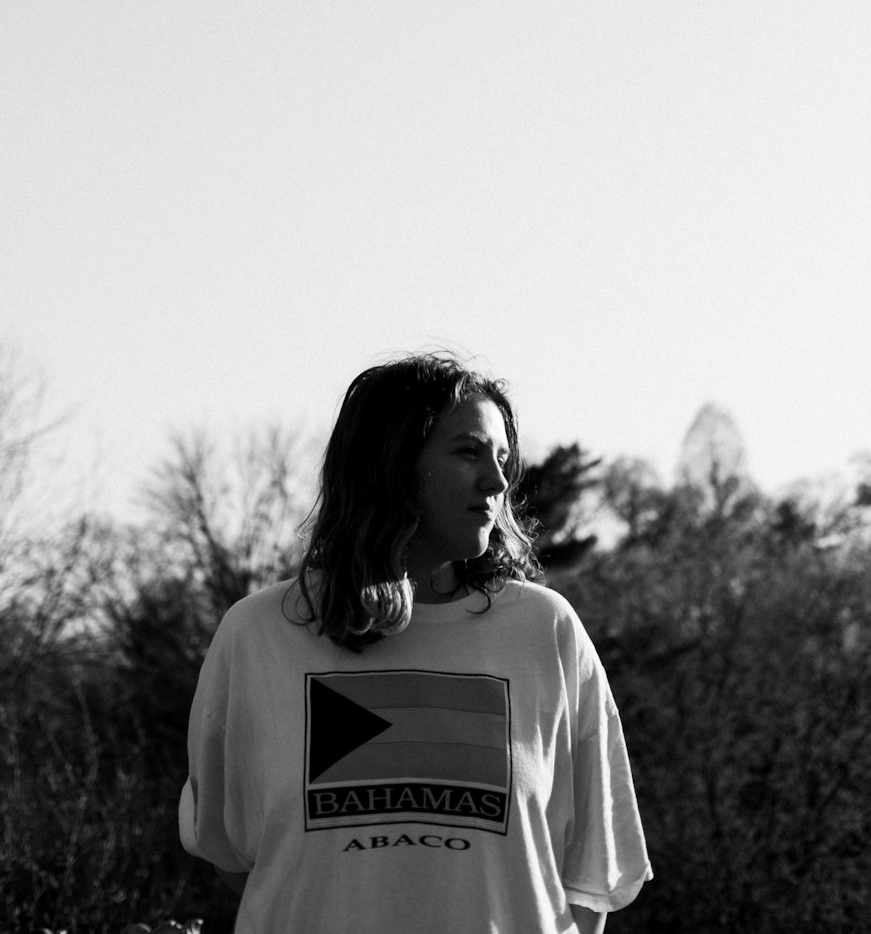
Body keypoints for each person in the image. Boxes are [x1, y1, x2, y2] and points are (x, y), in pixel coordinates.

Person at [179, 353, 651, 934]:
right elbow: (235, 855)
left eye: (503, 459)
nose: (497, 482)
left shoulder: (545, 632)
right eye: (468, 452)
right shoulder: (260, 633)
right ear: (392, 464)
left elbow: (589, 878)